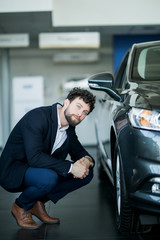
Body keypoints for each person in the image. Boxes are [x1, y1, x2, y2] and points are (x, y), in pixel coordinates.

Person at [0, 87, 96, 229]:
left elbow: (79, 151)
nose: (80, 114)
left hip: (39, 169)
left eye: (84, 113)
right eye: (78, 106)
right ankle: (20, 206)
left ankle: (37, 202)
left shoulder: (69, 129)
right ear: (66, 102)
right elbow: (34, 157)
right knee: (49, 177)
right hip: (15, 169)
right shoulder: (38, 117)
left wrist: (87, 161)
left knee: (86, 173)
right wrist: (71, 167)